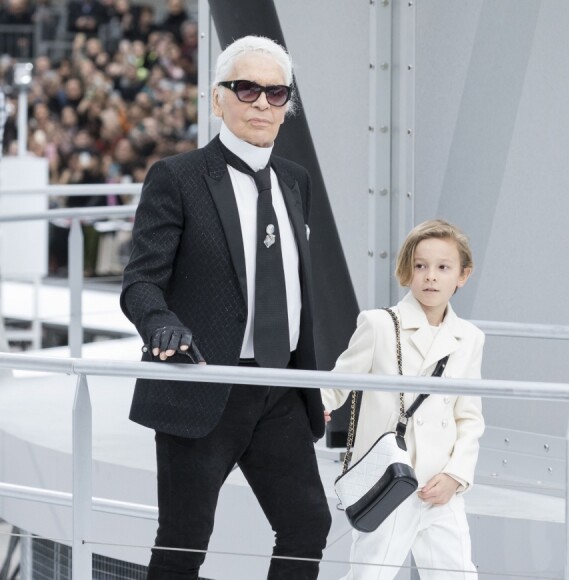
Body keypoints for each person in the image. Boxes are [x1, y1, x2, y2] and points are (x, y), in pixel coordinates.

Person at [120, 35, 331, 579]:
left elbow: (296, 289)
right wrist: (162, 324)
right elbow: (141, 282)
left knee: (308, 523)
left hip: (279, 390)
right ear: (218, 99)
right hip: (203, 381)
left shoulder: (296, 182)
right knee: (185, 541)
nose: (262, 102)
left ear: (287, 106)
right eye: (246, 88)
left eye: (276, 92)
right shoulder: (177, 177)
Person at [323, 219, 485, 579]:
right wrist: (315, 407)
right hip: (389, 480)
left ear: (463, 275)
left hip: (441, 485)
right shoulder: (380, 324)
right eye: (420, 266)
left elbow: (469, 416)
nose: (430, 277)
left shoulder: (469, 338)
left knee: (457, 574)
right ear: (406, 270)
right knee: (370, 574)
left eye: (443, 268)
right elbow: (337, 382)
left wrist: (457, 474)